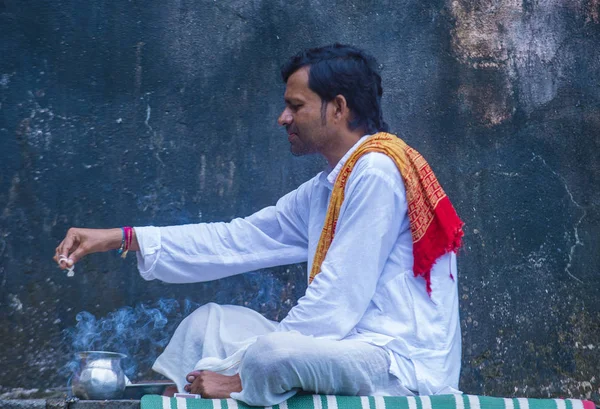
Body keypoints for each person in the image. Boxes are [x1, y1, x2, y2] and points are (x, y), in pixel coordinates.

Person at [55, 44, 464, 406]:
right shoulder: (326, 187)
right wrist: (124, 239)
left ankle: (231, 385)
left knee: (273, 355)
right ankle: (186, 398)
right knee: (208, 323)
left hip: (395, 364)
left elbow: (338, 300)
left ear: (338, 108)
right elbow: (240, 239)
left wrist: (241, 372)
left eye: (296, 106)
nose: (283, 118)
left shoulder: (376, 170)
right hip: (342, 348)